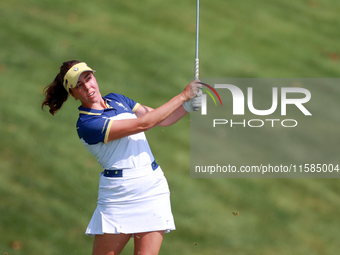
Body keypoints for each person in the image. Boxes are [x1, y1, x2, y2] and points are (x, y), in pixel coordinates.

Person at [41, 60, 202, 255]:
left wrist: (187, 106)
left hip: (153, 187)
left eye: (88, 78)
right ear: (73, 94)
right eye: (79, 86)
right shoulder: (87, 124)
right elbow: (143, 124)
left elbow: (163, 119)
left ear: (94, 77)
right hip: (119, 196)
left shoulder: (118, 100)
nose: (87, 87)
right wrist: (183, 95)